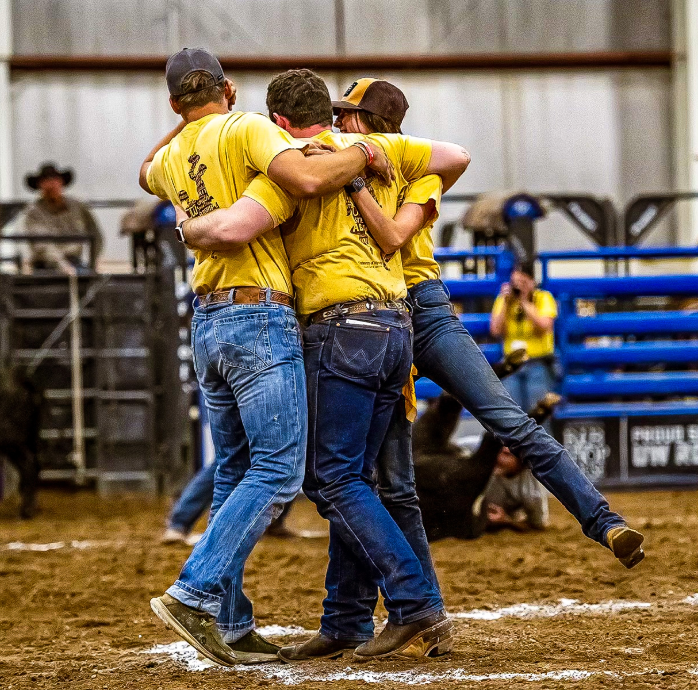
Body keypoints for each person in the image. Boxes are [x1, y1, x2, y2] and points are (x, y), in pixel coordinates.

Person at [174, 68, 471, 663]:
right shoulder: (386, 153)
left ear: (277, 122)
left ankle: (415, 602)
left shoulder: (287, 171)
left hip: (337, 331)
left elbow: (234, 222)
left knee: (327, 478)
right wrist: (364, 153)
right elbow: (456, 154)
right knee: (366, 479)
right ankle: (347, 617)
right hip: (396, 325)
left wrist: (190, 227)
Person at [141, 49, 397, 668]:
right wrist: (362, 152)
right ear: (229, 89)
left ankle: (230, 623)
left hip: (207, 319)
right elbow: (307, 180)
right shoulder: (250, 127)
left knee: (234, 471)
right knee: (279, 470)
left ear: (174, 104)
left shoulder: (175, 155)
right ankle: (195, 591)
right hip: (258, 315)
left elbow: (146, 167)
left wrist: (186, 124)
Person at [333, 78, 645, 572]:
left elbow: (450, 162)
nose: (337, 126)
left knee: (488, 433)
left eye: (345, 116)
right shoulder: (340, 164)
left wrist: (366, 156)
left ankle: (603, 520)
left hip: (408, 310)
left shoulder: (411, 170)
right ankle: (419, 605)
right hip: (381, 313)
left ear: (372, 124)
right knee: (405, 469)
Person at [412, 388, 558, 541]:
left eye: (508, 454)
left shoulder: (529, 491)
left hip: (449, 511)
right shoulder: (470, 456)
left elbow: (537, 523)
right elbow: (492, 443)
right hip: (448, 507)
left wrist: (506, 521)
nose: (503, 453)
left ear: (520, 465)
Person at [490, 262, 559, 413]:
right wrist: (506, 304)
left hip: (537, 364)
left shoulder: (543, 298)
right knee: (512, 416)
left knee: (538, 416)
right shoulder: (504, 301)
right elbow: (495, 330)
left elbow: (544, 326)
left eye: (523, 282)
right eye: (516, 283)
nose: (519, 286)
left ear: (532, 281)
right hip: (512, 365)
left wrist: (524, 301)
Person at [23, 163, 103, 270]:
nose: (51, 184)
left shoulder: (78, 206)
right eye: (46, 181)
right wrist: (62, 265)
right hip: (45, 265)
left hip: (74, 261)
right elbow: (42, 246)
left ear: (61, 182)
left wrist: (92, 264)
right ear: (40, 186)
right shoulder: (33, 212)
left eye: (55, 180)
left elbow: (95, 234)